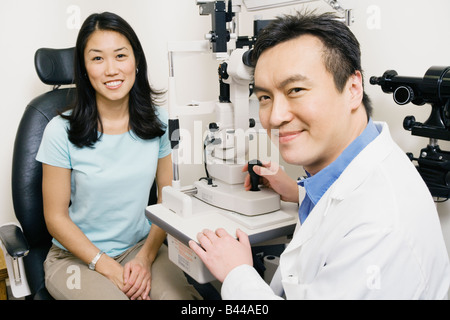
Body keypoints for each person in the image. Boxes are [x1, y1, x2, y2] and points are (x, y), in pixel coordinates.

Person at [189, 11, 450, 299]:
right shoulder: (359, 166)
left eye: (296, 89)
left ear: (352, 89)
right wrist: (300, 193)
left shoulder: (382, 229)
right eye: (265, 97)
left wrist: (237, 273)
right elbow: (340, 209)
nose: (275, 117)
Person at [37, 12, 201, 300]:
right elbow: (55, 217)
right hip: (75, 259)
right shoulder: (58, 131)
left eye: (120, 56)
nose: (111, 69)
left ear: (136, 61)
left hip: (142, 247)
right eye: (97, 58)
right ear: (84, 69)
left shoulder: (160, 123)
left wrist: (146, 258)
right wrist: (107, 266)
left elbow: (167, 199)